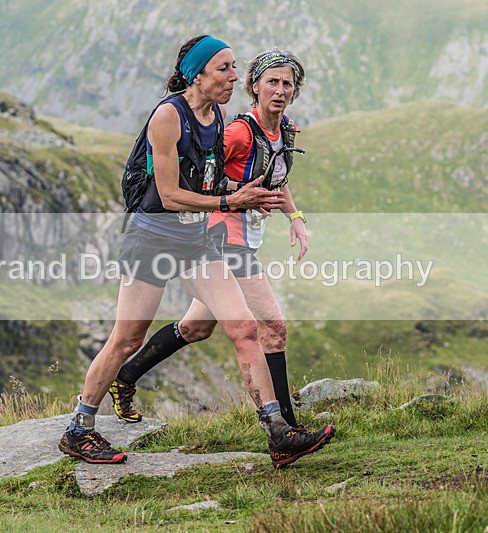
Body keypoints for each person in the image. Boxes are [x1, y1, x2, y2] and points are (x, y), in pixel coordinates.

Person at [59, 37, 333, 467]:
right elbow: (168, 194)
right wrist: (230, 203)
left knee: (243, 328)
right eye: (224, 69)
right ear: (198, 74)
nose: (233, 77)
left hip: (196, 240)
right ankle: (79, 428)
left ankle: (278, 434)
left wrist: (243, 194)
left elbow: (205, 180)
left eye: (234, 67)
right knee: (127, 338)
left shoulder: (216, 114)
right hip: (154, 238)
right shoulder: (168, 116)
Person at [109, 49, 314, 432]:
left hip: (244, 238)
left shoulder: (285, 128)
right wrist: (225, 200)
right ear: (255, 87)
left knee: (196, 328)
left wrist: (296, 217)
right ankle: (287, 427)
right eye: (272, 81)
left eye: (288, 84)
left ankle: (126, 376)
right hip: (221, 238)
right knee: (272, 327)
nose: (281, 90)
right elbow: (207, 173)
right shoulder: (239, 131)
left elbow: (276, 179)